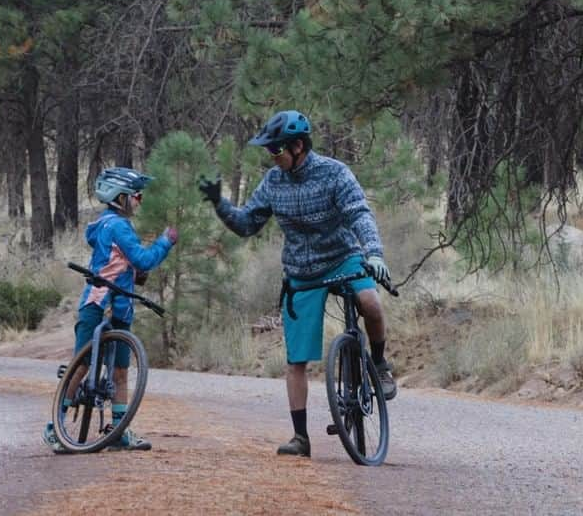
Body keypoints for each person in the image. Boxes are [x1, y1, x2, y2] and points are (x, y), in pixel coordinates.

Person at [199, 110, 395, 459]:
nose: (272, 158)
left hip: (343, 258)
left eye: (276, 151)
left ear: (298, 146)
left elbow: (359, 214)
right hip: (301, 274)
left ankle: (379, 365)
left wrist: (375, 254)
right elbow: (247, 225)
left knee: (371, 303)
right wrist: (220, 204)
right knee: (296, 362)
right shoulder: (274, 182)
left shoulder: (335, 173)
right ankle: (301, 437)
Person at [44, 166, 177, 453]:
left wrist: (134, 272)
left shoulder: (112, 225)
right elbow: (143, 259)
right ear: (120, 197)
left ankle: (117, 430)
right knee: (86, 367)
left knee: (117, 370)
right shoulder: (115, 225)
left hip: (116, 304)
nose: (139, 201)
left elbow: (125, 264)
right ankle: (56, 428)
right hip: (101, 302)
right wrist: (166, 241)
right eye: (136, 196)